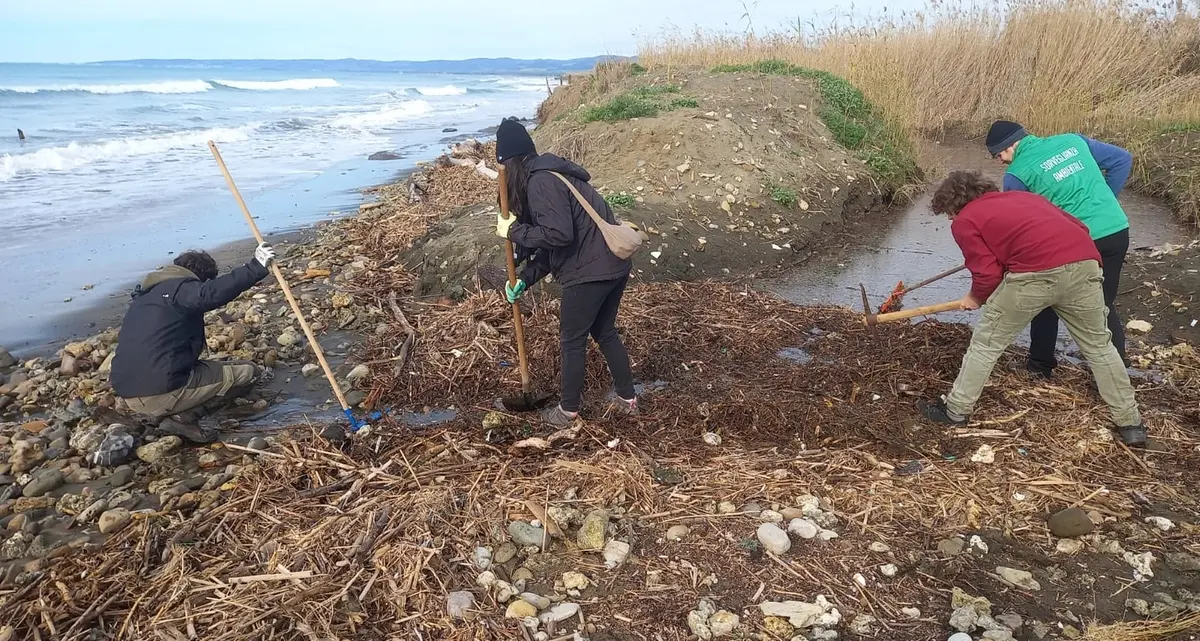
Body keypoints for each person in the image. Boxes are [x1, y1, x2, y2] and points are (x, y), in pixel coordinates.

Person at [918, 171, 1146, 447]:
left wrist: (975, 298)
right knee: (1099, 346)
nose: (951, 219)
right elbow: (1080, 228)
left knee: (986, 345)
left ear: (954, 205)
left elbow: (987, 274)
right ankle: (1131, 423)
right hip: (1085, 265)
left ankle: (955, 411)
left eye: (949, 214)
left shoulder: (965, 220)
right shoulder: (1026, 197)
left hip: (1033, 276)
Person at [493, 117, 637, 425]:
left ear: (510, 163)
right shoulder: (552, 174)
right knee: (604, 331)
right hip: (613, 264)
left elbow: (559, 234)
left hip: (590, 271)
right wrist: (524, 281)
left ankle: (568, 410)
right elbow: (553, 249)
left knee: (572, 339)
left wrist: (515, 231)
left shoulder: (540, 182)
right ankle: (629, 398)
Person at [986, 120, 1134, 378]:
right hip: (1116, 230)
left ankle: (1040, 366)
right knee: (1102, 304)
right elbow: (1122, 159)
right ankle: (1115, 373)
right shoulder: (1072, 140)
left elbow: (1018, 224)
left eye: (999, 155)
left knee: (1046, 300)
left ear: (1012, 146)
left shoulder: (1017, 174)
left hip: (1077, 242)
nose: (1000, 161)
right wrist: (1107, 199)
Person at [111, 243, 275, 419]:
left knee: (217, 366)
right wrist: (256, 267)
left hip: (128, 392)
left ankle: (175, 407)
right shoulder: (181, 290)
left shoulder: (145, 297)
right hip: (161, 393)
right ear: (200, 279)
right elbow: (209, 294)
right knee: (248, 371)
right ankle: (188, 415)